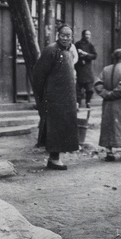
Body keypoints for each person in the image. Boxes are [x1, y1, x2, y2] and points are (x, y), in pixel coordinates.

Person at [32, 24, 79, 171]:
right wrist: (41, 96)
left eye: (68, 35)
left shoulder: (70, 51)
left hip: (67, 98)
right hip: (54, 98)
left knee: (63, 128)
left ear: (72, 37)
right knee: (54, 128)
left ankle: (55, 158)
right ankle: (54, 159)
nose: (65, 38)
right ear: (57, 36)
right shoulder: (51, 50)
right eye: (63, 35)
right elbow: (38, 74)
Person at [94, 48, 121, 162]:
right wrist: (113, 94)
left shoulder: (106, 69)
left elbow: (98, 84)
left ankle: (109, 152)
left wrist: (106, 94)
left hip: (107, 102)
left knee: (108, 124)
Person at [74, 30, 97, 109]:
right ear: (83, 35)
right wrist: (80, 58)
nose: (88, 36)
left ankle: (88, 102)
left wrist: (85, 54)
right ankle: (77, 103)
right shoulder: (77, 44)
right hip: (79, 68)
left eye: (89, 35)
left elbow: (94, 55)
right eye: (86, 34)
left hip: (87, 69)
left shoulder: (90, 45)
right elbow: (73, 55)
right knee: (78, 88)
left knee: (89, 89)